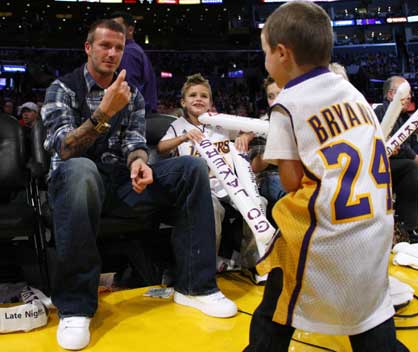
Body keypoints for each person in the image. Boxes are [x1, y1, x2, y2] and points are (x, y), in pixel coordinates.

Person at [41, 20, 236, 351]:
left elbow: (134, 141)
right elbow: (65, 148)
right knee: (81, 171)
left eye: (119, 48)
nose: (113, 53)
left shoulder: (131, 94)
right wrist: (104, 112)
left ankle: (195, 287)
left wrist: (139, 163)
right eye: (105, 46)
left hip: (118, 183)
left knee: (190, 168)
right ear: (88, 48)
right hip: (74, 185)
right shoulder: (62, 89)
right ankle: (75, 306)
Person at [245, 2, 408, 351]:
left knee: (274, 308)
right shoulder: (355, 95)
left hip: (324, 231)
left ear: (282, 53)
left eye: (264, 53)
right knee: (370, 318)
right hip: (373, 228)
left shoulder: (287, 103)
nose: (264, 61)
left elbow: (290, 184)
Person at [157, 73, 254, 263]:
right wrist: (183, 138)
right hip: (200, 187)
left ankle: (253, 264)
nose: (198, 99)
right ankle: (206, 266)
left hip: (228, 185)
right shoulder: (178, 126)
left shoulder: (221, 123)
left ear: (210, 102)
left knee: (258, 204)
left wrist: (245, 137)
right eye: (193, 95)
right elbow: (160, 148)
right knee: (211, 208)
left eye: (204, 96)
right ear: (183, 102)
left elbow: (250, 128)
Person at [374, 76, 418, 242]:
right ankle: (407, 228)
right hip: (380, 164)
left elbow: (415, 146)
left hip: (398, 160)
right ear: (391, 94)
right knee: (410, 166)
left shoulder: (404, 117)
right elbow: (402, 150)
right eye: (406, 92)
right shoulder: (380, 112)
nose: (410, 96)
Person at [248, 76, 286, 223]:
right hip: (272, 176)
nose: (276, 100)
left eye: (280, 94)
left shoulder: (303, 118)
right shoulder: (260, 126)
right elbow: (255, 167)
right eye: (271, 96)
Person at [111, 11, 157, 113]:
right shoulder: (134, 49)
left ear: (130, 30)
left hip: (135, 116)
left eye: (117, 27)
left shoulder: (128, 52)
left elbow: (130, 91)